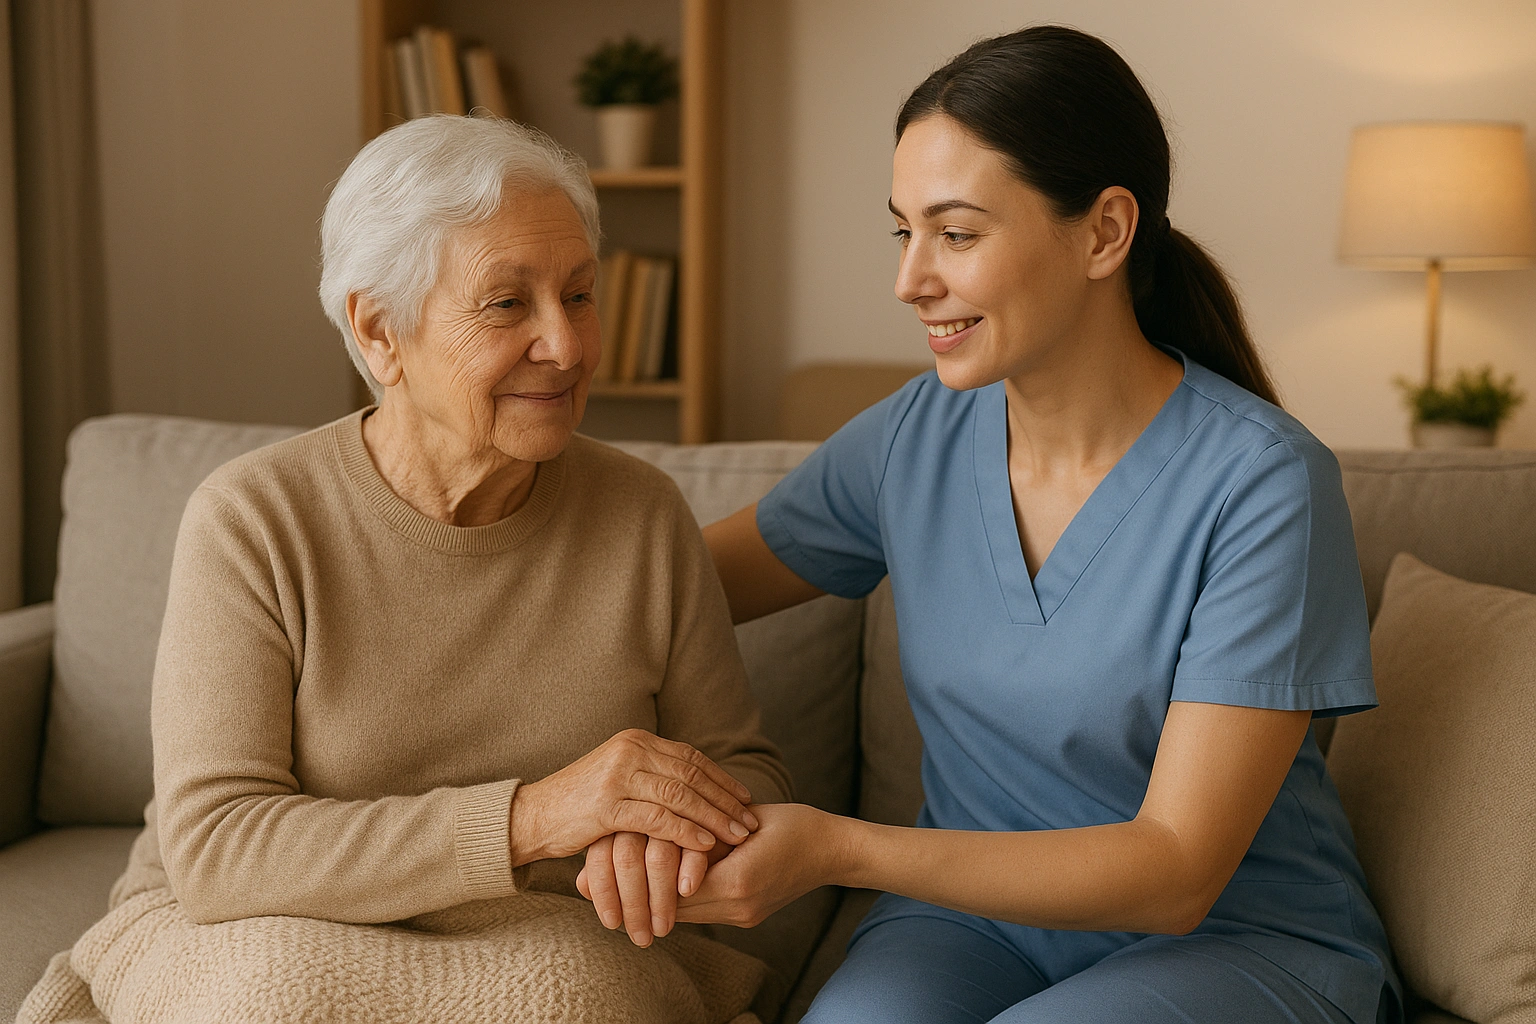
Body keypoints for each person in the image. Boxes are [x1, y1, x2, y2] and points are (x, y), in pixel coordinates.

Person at [669, 25, 1401, 1024]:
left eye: (957, 234)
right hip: (971, 924)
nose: (910, 279)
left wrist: (840, 845)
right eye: (904, 231)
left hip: (1236, 934)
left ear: (1104, 233)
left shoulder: (1264, 485)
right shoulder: (914, 437)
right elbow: (665, 592)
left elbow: (1177, 870)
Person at [18, 114, 790, 1024]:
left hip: (542, 933)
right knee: (274, 1000)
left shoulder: (643, 517)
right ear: (379, 330)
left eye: (579, 295)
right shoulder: (256, 519)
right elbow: (219, 848)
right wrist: (533, 817)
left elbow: (747, 776)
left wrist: (666, 838)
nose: (569, 345)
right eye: (508, 303)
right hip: (264, 925)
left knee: (577, 1000)